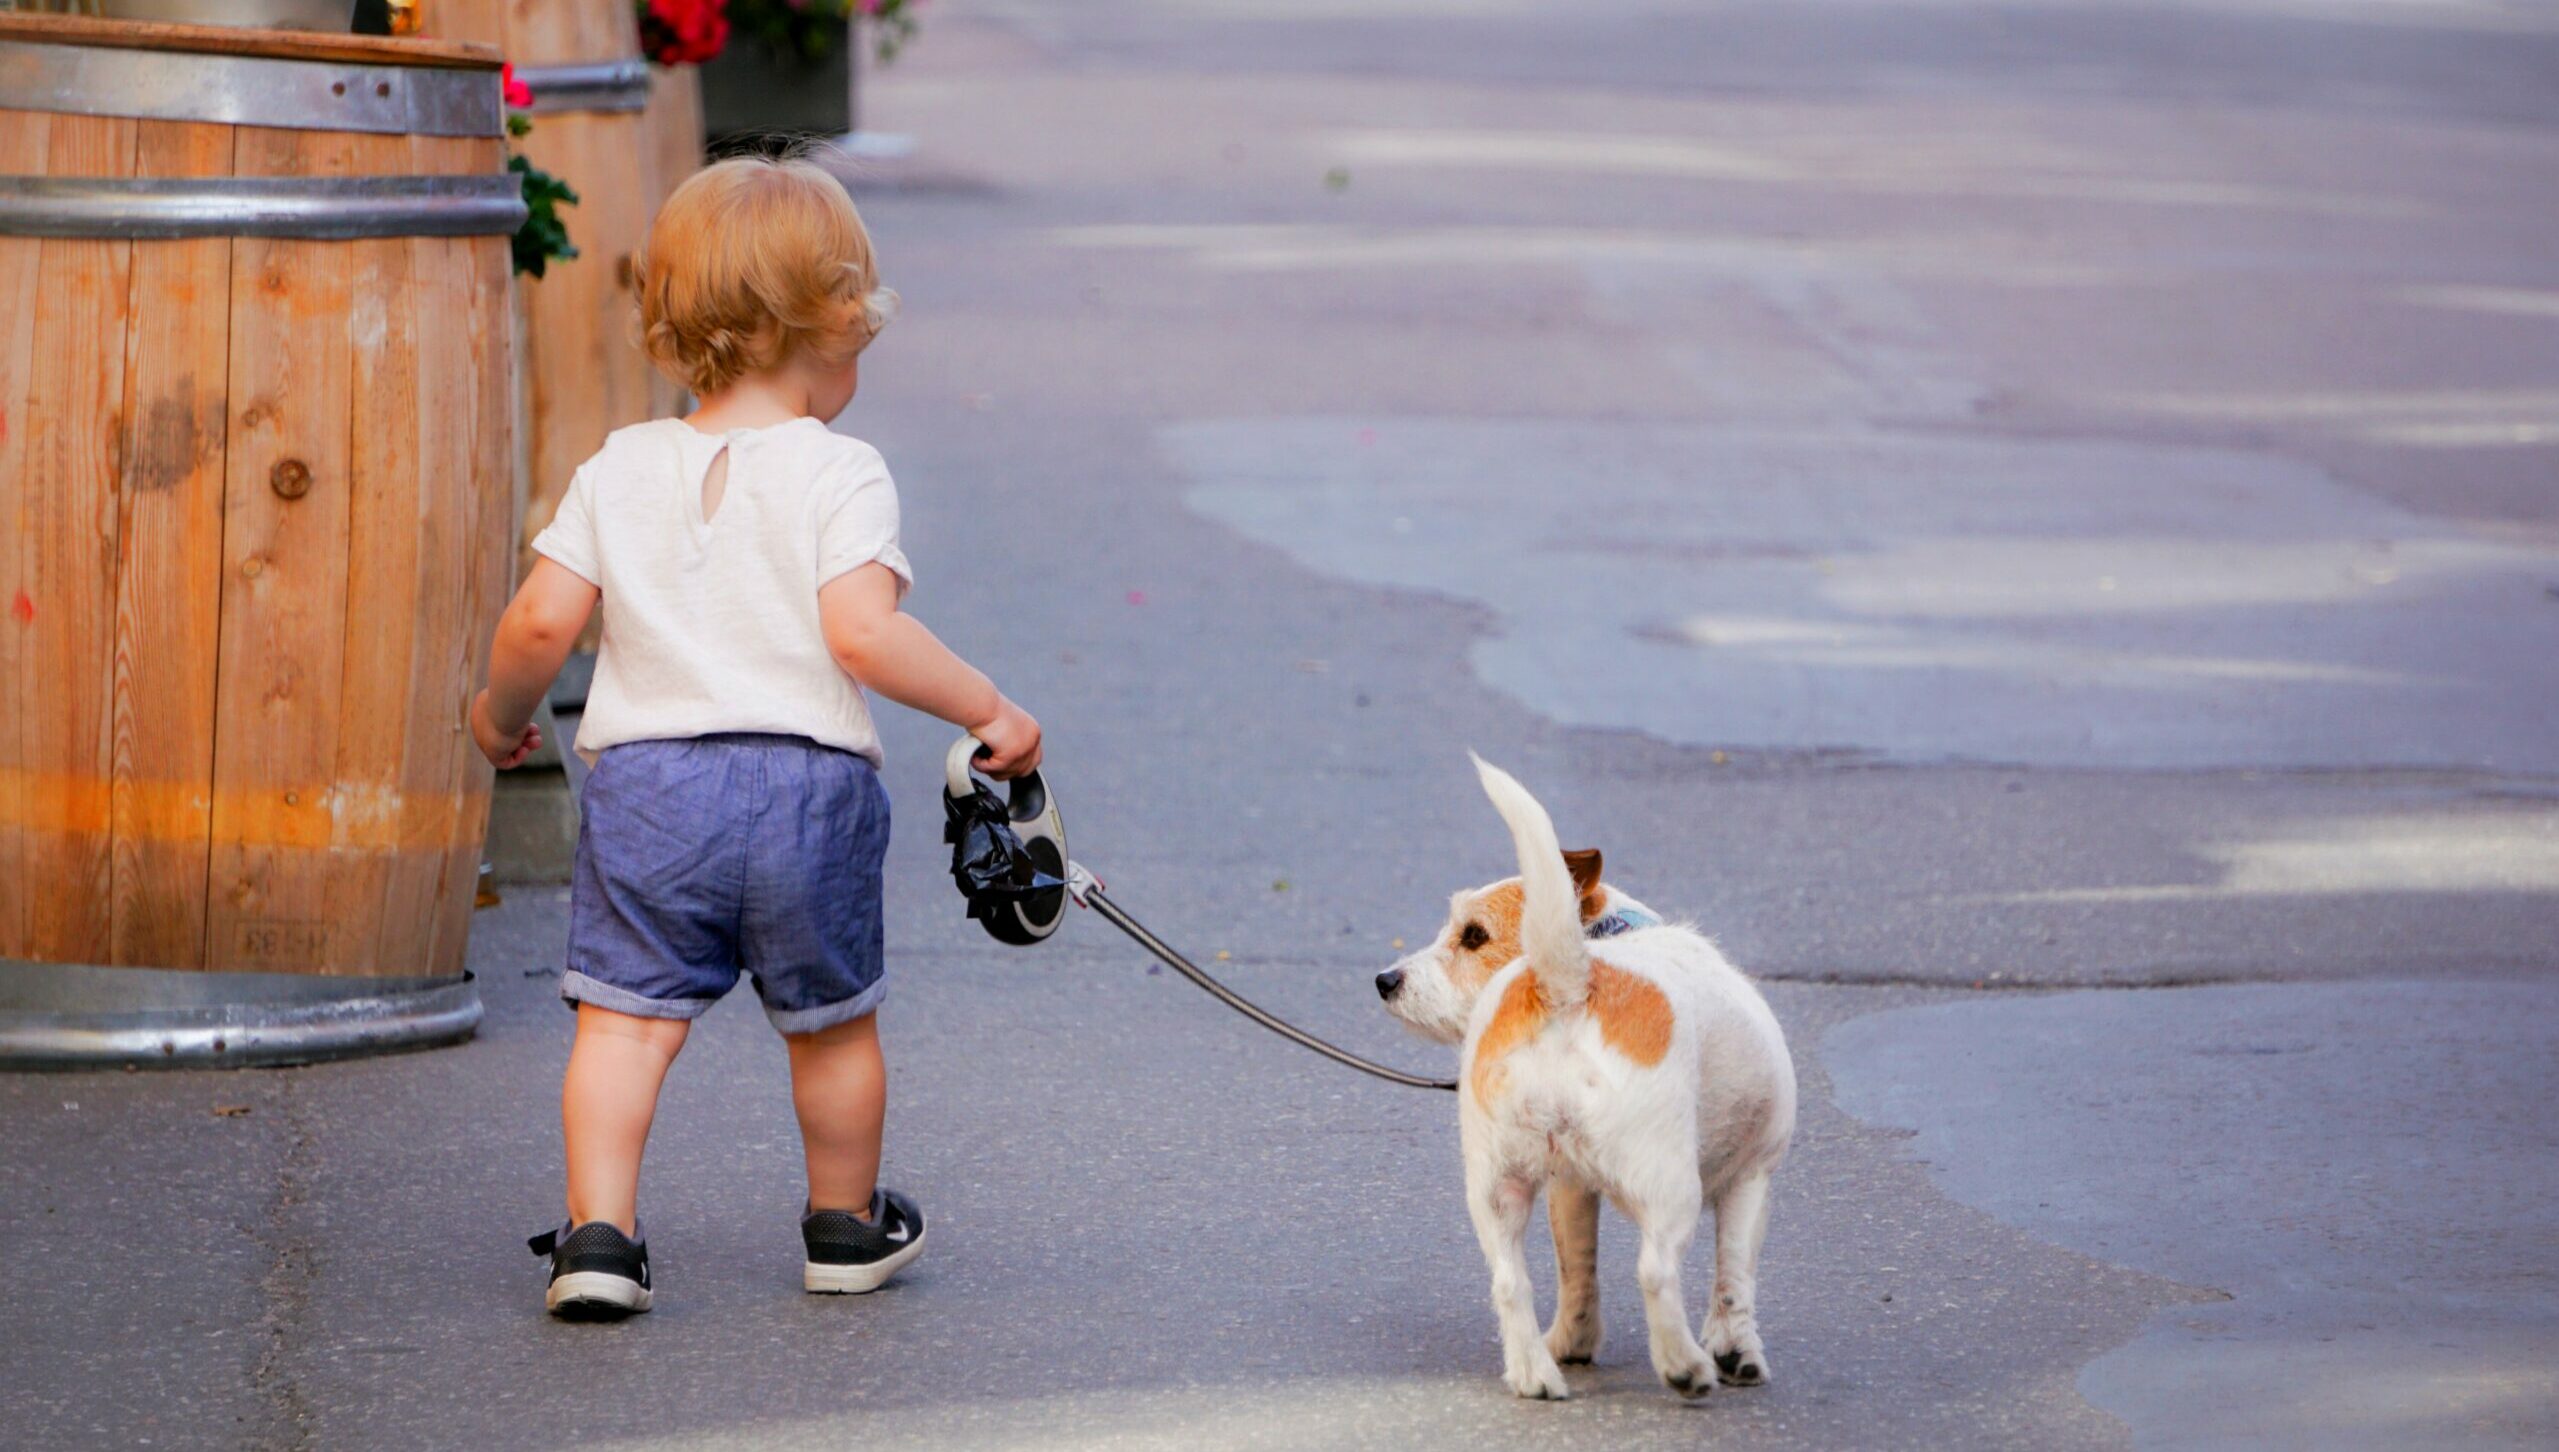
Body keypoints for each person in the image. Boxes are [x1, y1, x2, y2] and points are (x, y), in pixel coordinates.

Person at [471, 155, 1041, 1318]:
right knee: (830, 1031)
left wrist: (498, 719)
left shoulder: (621, 466)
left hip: (648, 791)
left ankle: (598, 1239)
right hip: (806, 793)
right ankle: (843, 1223)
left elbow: (540, 619)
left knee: (625, 1028)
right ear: (832, 328)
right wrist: (988, 708)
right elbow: (864, 635)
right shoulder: (842, 472)